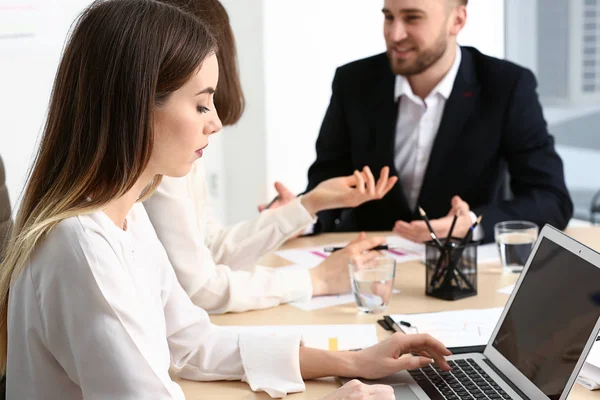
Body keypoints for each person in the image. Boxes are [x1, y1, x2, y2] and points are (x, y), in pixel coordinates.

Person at [0, 1, 451, 398]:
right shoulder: (81, 246)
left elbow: (193, 342)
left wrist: (352, 361)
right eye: (200, 105)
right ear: (136, 106)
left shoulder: (127, 215)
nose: (215, 123)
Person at [144, 0, 397, 314]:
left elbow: (209, 250)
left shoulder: (179, 145)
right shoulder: (162, 158)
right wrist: (317, 280)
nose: (215, 123)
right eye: (200, 104)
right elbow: (200, 287)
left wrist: (310, 203)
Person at [304, 0, 573, 243]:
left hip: (463, 268)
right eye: (388, 17)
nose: (394, 35)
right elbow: (327, 182)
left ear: (457, 21)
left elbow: (552, 200)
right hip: (373, 265)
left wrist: (471, 224)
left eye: (412, 18)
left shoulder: (506, 86)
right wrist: (300, 215)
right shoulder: (353, 82)